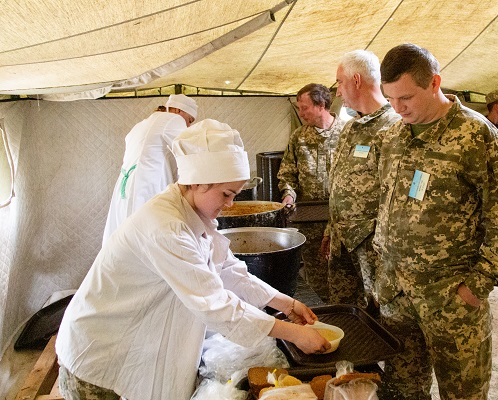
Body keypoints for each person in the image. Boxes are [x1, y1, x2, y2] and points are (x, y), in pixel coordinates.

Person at [55, 119, 330, 400]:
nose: (230, 204)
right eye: (226, 194)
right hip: (99, 355)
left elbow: (227, 270)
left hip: (128, 340)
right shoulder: (166, 227)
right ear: (198, 182)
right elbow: (215, 305)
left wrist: (285, 303)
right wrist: (292, 333)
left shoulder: (192, 213)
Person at [376, 43, 498, 399]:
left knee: (462, 394)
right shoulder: (393, 136)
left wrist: (476, 288)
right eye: (390, 98)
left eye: (406, 98)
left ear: (434, 83)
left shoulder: (476, 136)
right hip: (397, 297)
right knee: (402, 391)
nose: (397, 108)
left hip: (451, 301)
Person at [323, 50, 401, 314]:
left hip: (371, 248)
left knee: (379, 317)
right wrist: (330, 229)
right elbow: (338, 182)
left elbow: (397, 198)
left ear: (356, 80)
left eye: (340, 82)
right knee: (346, 314)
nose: (337, 92)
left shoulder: (393, 127)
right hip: (343, 242)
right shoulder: (351, 127)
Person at [277, 83, 346, 301]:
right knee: (317, 283)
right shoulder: (299, 137)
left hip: (341, 222)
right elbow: (287, 174)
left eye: (304, 107)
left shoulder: (347, 133)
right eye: (298, 108)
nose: (300, 113)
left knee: (345, 281)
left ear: (321, 105)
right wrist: (288, 195)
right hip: (310, 221)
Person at [102, 94, 198, 246]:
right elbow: (188, 153)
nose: (188, 125)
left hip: (124, 188)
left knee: (125, 236)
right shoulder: (173, 119)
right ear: (178, 110)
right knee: (148, 237)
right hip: (146, 184)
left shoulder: (142, 124)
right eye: (190, 120)